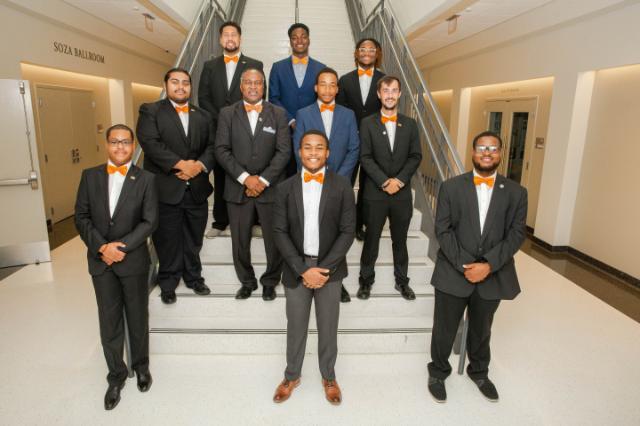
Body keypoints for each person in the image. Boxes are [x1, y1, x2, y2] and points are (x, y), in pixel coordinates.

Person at [427, 131, 528, 403]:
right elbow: (443, 230)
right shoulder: (451, 187)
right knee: (444, 327)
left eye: (493, 149)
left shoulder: (517, 192)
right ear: (473, 152)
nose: (487, 153)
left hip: (493, 274)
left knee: (482, 328)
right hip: (453, 270)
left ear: (500, 154)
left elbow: (516, 234)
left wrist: (488, 265)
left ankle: (479, 371)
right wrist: (465, 265)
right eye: (482, 148)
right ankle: (438, 371)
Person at [74, 124, 158, 410]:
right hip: (101, 263)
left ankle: (141, 366)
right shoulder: (90, 176)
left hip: (132, 260)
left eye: (125, 142)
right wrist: (101, 247)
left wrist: (120, 248)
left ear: (133, 146)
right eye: (115, 142)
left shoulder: (145, 178)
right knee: (108, 321)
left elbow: (149, 221)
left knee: (137, 317)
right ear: (106, 145)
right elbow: (81, 217)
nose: (120, 147)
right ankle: (116, 375)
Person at [272, 130, 355, 405]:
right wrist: (301, 268)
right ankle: (292, 375)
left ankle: (328, 376)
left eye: (319, 148)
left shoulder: (343, 186)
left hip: (329, 269)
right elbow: (279, 232)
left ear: (328, 153)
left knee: (328, 326)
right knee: (295, 326)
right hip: (296, 267)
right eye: (307, 147)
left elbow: (347, 232)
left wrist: (323, 269)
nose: (313, 152)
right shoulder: (285, 188)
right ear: (299, 151)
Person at [136, 68, 216, 304]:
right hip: (166, 188)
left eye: (185, 83)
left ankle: (194, 277)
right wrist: (181, 165)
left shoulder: (203, 115)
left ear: (191, 87)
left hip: (197, 189)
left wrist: (199, 166)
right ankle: (168, 281)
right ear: (166, 85)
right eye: (175, 82)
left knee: (194, 237)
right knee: (167, 238)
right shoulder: (151, 111)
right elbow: (150, 143)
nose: (181, 87)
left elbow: (212, 146)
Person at [215, 67, 290, 301]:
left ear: (264, 86)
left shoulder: (278, 113)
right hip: (237, 188)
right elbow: (221, 149)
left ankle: (270, 281)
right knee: (239, 240)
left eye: (258, 83)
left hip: (272, 189)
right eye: (248, 82)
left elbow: (283, 151)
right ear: (241, 86)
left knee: (274, 240)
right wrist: (245, 178)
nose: (253, 87)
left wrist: (263, 179)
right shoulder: (227, 113)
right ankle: (246, 281)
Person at [292, 67, 359, 303]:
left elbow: (353, 149)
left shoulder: (348, 114)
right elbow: (297, 148)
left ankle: (333, 281)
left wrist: (338, 180)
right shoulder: (303, 113)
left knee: (335, 233)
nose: (328, 89)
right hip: (310, 182)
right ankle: (306, 275)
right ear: (315, 87)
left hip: (338, 185)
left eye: (332, 84)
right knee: (310, 230)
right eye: (323, 84)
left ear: (337, 89)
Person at [358, 76, 422, 301]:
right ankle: (366, 281)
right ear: (378, 94)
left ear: (400, 94)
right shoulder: (367, 123)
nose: (390, 94)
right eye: (386, 90)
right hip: (376, 193)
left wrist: (400, 181)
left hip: (402, 194)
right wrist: (385, 181)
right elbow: (365, 157)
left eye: (394, 90)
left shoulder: (411, 124)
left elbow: (415, 156)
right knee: (371, 240)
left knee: (400, 241)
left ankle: (402, 282)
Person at [198, 21, 264, 239]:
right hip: (220, 130)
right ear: (220, 40)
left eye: (233, 34)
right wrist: (224, 120)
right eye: (225, 34)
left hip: (248, 131)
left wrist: (239, 121)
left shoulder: (255, 63)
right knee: (221, 176)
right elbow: (203, 98)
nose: (229, 38)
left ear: (240, 38)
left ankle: (254, 221)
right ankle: (220, 221)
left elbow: (260, 98)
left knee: (249, 173)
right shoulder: (209, 66)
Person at [337, 38, 385, 242]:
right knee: (344, 182)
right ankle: (341, 223)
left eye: (371, 49)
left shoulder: (385, 80)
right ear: (356, 53)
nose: (366, 52)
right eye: (362, 49)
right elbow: (341, 112)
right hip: (349, 142)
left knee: (367, 187)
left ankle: (359, 224)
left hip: (373, 143)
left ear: (377, 54)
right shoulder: (345, 80)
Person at [269, 22, 326, 176]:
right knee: (286, 174)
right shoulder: (278, 67)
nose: (299, 40)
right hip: (284, 130)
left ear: (309, 40)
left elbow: (324, 97)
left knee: (311, 172)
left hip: (313, 129)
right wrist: (291, 120)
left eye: (303, 37)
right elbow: (273, 98)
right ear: (290, 41)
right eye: (295, 38)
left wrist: (307, 118)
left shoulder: (321, 68)